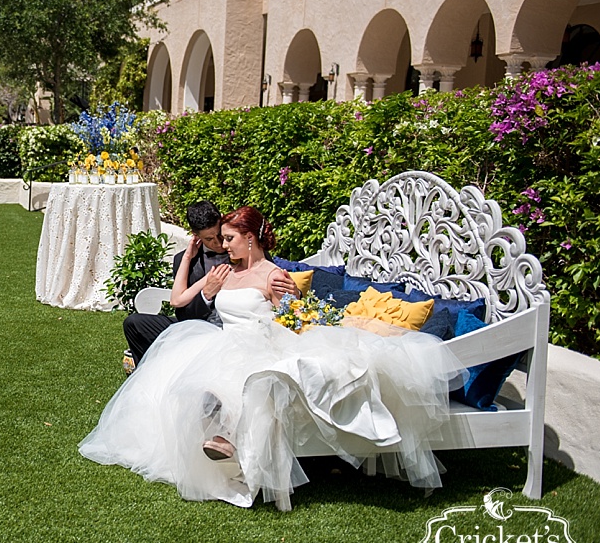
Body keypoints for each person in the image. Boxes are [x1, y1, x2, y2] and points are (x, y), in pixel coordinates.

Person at [81, 206, 465, 511]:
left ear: (250, 239)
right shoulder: (223, 272)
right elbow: (179, 300)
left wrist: (288, 303)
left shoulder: (275, 275)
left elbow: (290, 318)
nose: (224, 246)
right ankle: (217, 432)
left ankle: (226, 437)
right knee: (185, 376)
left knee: (244, 372)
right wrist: (205, 284)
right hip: (219, 340)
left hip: (261, 340)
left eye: (229, 239)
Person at [121, 201, 297, 372]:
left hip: (236, 332)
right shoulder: (186, 260)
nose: (220, 243)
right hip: (198, 323)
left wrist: (295, 291)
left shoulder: (246, 251)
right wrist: (204, 289)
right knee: (135, 323)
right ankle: (149, 372)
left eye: (221, 236)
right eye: (209, 239)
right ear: (196, 236)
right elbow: (180, 308)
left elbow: (277, 291)